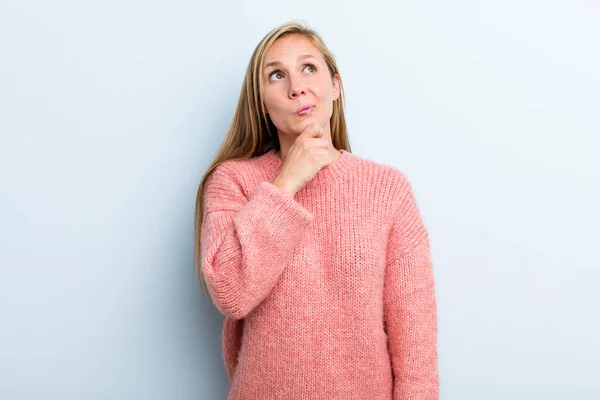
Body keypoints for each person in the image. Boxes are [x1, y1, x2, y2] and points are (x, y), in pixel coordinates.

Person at [194, 21, 439, 400]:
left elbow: (416, 348)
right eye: (277, 76)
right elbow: (231, 293)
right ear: (261, 102)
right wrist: (286, 184)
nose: (297, 87)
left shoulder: (388, 189)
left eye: (309, 68)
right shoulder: (233, 182)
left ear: (335, 86)